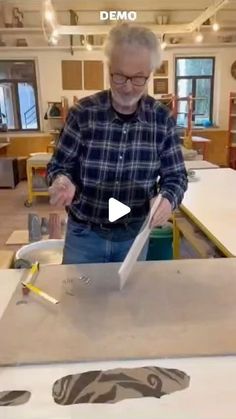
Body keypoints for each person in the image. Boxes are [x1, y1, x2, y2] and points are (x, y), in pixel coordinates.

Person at [47, 23, 188, 264]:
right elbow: (58, 166)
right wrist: (62, 180)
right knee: (79, 299)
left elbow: (176, 177)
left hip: (133, 237)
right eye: (120, 76)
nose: (128, 87)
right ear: (109, 68)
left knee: (128, 301)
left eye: (138, 78)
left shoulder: (161, 119)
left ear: (150, 74)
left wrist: (168, 199)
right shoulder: (83, 113)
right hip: (84, 235)